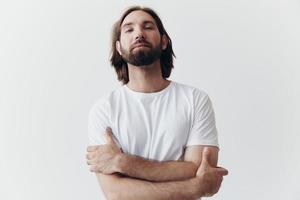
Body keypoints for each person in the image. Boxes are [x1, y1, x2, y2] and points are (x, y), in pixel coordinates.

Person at [86, 6, 228, 200]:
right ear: (119, 48)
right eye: (129, 29)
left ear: (163, 41)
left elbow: (198, 168)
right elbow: (117, 193)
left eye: (148, 27)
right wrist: (196, 188)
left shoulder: (195, 100)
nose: (139, 33)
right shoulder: (104, 109)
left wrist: (122, 162)